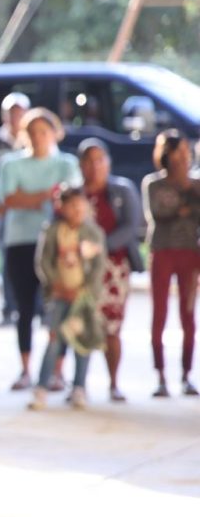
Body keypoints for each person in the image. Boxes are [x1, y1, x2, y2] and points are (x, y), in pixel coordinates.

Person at [0, 107, 81, 391]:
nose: (38, 137)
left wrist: (28, 197)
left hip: (58, 242)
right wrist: (45, 195)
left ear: (54, 133)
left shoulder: (66, 163)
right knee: (24, 306)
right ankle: (25, 369)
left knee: (59, 305)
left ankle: (57, 370)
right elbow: (7, 200)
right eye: (32, 132)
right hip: (20, 240)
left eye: (44, 132)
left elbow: (70, 200)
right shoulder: (10, 163)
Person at [77, 138, 144, 402]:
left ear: (108, 163)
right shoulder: (74, 194)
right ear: (81, 165)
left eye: (99, 160)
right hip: (81, 270)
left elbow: (131, 226)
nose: (94, 167)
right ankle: (78, 384)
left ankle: (114, 383)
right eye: (88, 161)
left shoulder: (121, 191)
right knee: (80, 324)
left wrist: (99, 247)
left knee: (112, 328)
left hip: (114, 269)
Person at [29, 186, 106, 410]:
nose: (77, 210)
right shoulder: (53, 231)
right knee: (54, 340)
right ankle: (42, 387)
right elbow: (44, 261)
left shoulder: (93, 233)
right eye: (72, 206)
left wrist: (84, 290)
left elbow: (98, 267)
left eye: (81, 205)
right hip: (58, 296)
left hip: (83, 299)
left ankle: (79, 387)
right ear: (61, 207)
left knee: (82, 342)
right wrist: (55, 285)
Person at [141, 129, 200, 397]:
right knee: (159, 313)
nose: (182, 157)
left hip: (190, 253)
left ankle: (187, 374)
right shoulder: (153, 184)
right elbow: (158, 214)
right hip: (162, 252)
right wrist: (183, 208)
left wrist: (188, 200)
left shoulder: (196, 184)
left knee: (188, 315)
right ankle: (160, 375)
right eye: (177, 152)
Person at [0, 92, 31, 327]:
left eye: (20, 113)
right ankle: (8, 309)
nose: (16, 118)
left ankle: (33, 308)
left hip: (30, 210)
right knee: (8, 261)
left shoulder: (32, 137)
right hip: (7, 210)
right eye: (12, 114)